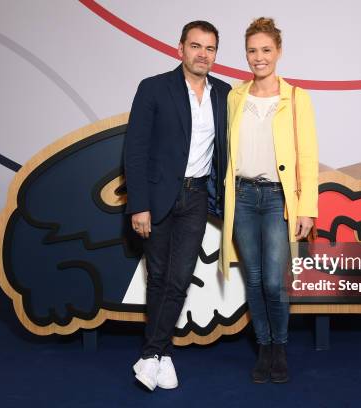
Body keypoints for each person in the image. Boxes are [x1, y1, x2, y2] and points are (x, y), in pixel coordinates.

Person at [124, 20, 231, 391]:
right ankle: (160, 352)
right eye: (196, 46)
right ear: (180, 48)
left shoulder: (224, 94)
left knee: (180, 277)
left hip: (197, 196)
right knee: (158, 277)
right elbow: (135, 152)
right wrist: (139, 206)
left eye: (210, 48)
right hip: (157, 198)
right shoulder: (154, 88)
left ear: (216, 54)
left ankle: (153, 353)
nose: (203, 54)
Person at [218, 17, 318, 384]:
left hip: (278, 198)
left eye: (265, 50)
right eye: (252, 50)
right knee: (254, 278)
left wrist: (307, 207)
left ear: (278, 52)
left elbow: (307, 155)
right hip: (242, 196)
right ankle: (264, 347)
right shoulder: (235, 96)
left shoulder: (296, 98)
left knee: (275, 282)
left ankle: (280, 347)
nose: (258, 57)